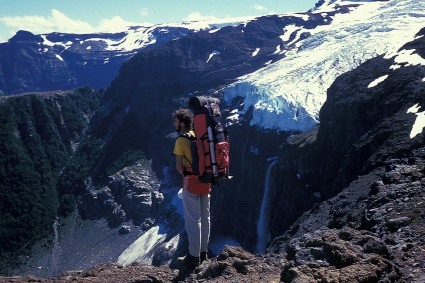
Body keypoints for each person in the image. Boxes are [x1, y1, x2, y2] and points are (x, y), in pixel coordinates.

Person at [172, 108, 210, 267]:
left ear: (181, 122)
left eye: (175, 121)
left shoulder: (181, 140)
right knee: (205, 217)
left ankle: (194, 257)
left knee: (192, 220)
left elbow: (179, 166)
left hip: (191, 182)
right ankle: (203, 253)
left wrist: (188, 177)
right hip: (206, 180)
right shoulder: (199, 136)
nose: (173, 124)